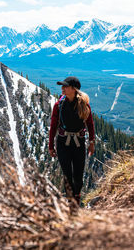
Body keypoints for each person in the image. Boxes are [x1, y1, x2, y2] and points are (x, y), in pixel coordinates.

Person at [48, 76, 95, 205]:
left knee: (78, 177)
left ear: (74, 89)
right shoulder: (59, 105)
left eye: (65, 86)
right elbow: (53, 125)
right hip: (63, 143)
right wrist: (51, 146)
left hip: (79, 143)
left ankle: (76, 199)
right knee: (67, 176)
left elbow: (90, 124)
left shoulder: (84, 105)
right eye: (62, 86)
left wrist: (92, 142)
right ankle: (71, 204)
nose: (62, 88)